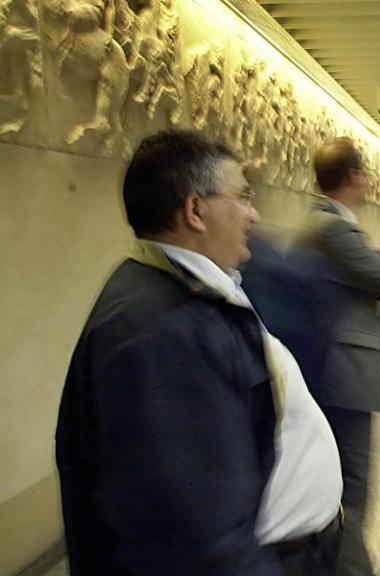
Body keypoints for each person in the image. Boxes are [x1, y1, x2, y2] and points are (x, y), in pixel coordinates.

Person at [55, 130, 343, 576]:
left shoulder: (189, 289)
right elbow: (197, 536)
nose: (254, 213)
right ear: (195, 210)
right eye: (243, 197)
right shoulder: (159, 334)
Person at [295, 138, 380, 576]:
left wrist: (374, 256)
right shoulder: (335, 227)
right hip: (343, 379)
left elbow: (356, 271)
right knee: (351, 492)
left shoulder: (325, 224)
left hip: (327, 372)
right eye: (365, 172)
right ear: (354, 177)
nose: (369, 179)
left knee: (340, 488)